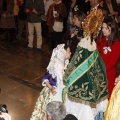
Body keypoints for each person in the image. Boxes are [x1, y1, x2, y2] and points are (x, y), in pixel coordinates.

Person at [62, 5, 108, 120]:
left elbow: (76, 62)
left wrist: (68, 74)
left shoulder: (85, 45)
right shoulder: (93, 46)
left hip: (81, 96)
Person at [30, 44, 71, 120]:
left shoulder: (65, 63)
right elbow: (45, 78)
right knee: (50, 112)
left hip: (62, 91)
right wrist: (51, 88)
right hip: (53, 92)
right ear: (63, 53)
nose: (70, 53)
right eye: (69, 51)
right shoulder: (56, 66)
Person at [96, 17, 120, 97]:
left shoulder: (116, 44)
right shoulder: (100, 40)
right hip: (97, 72)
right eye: (102, 27)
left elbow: (112, 63)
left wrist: (101, 70)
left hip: (108, 74)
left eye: (106, 28)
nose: (103, 30)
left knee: (107, 96)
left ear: (112, 28)